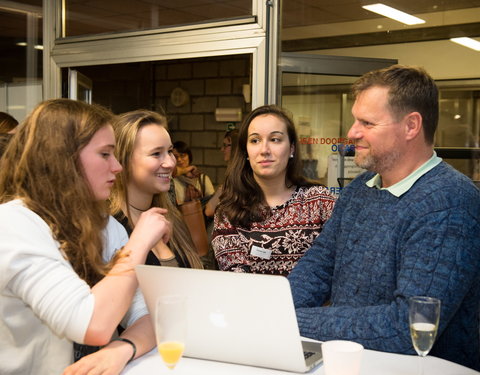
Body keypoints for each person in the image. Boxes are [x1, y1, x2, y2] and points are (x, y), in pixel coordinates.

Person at [287, 65, 480, 370]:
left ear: (411, 126)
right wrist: (273, 311)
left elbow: (407, 327)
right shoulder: (359, 189)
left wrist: (292, 320)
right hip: (354, 361)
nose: (352, 132)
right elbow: (318, 267)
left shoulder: (449, 202)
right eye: (355, 120)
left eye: (367, 122)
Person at [0, 99, 171, 375]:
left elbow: (151, 315)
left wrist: (123, 348)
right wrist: (139, 242)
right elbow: (91, 324)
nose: (117, 166)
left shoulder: (106, 226)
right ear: (62, 159)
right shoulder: (13, 224)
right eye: (105, 154)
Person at [211, 105, 336, 276]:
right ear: (246, 151)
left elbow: (336, 267)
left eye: (275, 139)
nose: (264, 150)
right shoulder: (229, 211)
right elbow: (238, 281)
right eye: (255, 140)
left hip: (314, 303)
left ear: (291, 148)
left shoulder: (320, 201)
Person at [109, 109, 203, 269]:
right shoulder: (110, 228)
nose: (170, 163)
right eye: (156, 153)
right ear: (123, 160)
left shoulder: (170, 218)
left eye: (169, 151)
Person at [204, 128, 239, 218]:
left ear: (235, 147)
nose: (222, 149)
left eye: (225, 145)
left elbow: (209, 211)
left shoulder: (236, 176)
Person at [172, 140, 214, 206]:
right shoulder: (171, 180)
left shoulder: (202, 179)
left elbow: (212, 202)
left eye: (182, 155)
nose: (179, 160)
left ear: (189, 156)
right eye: (175, 157)